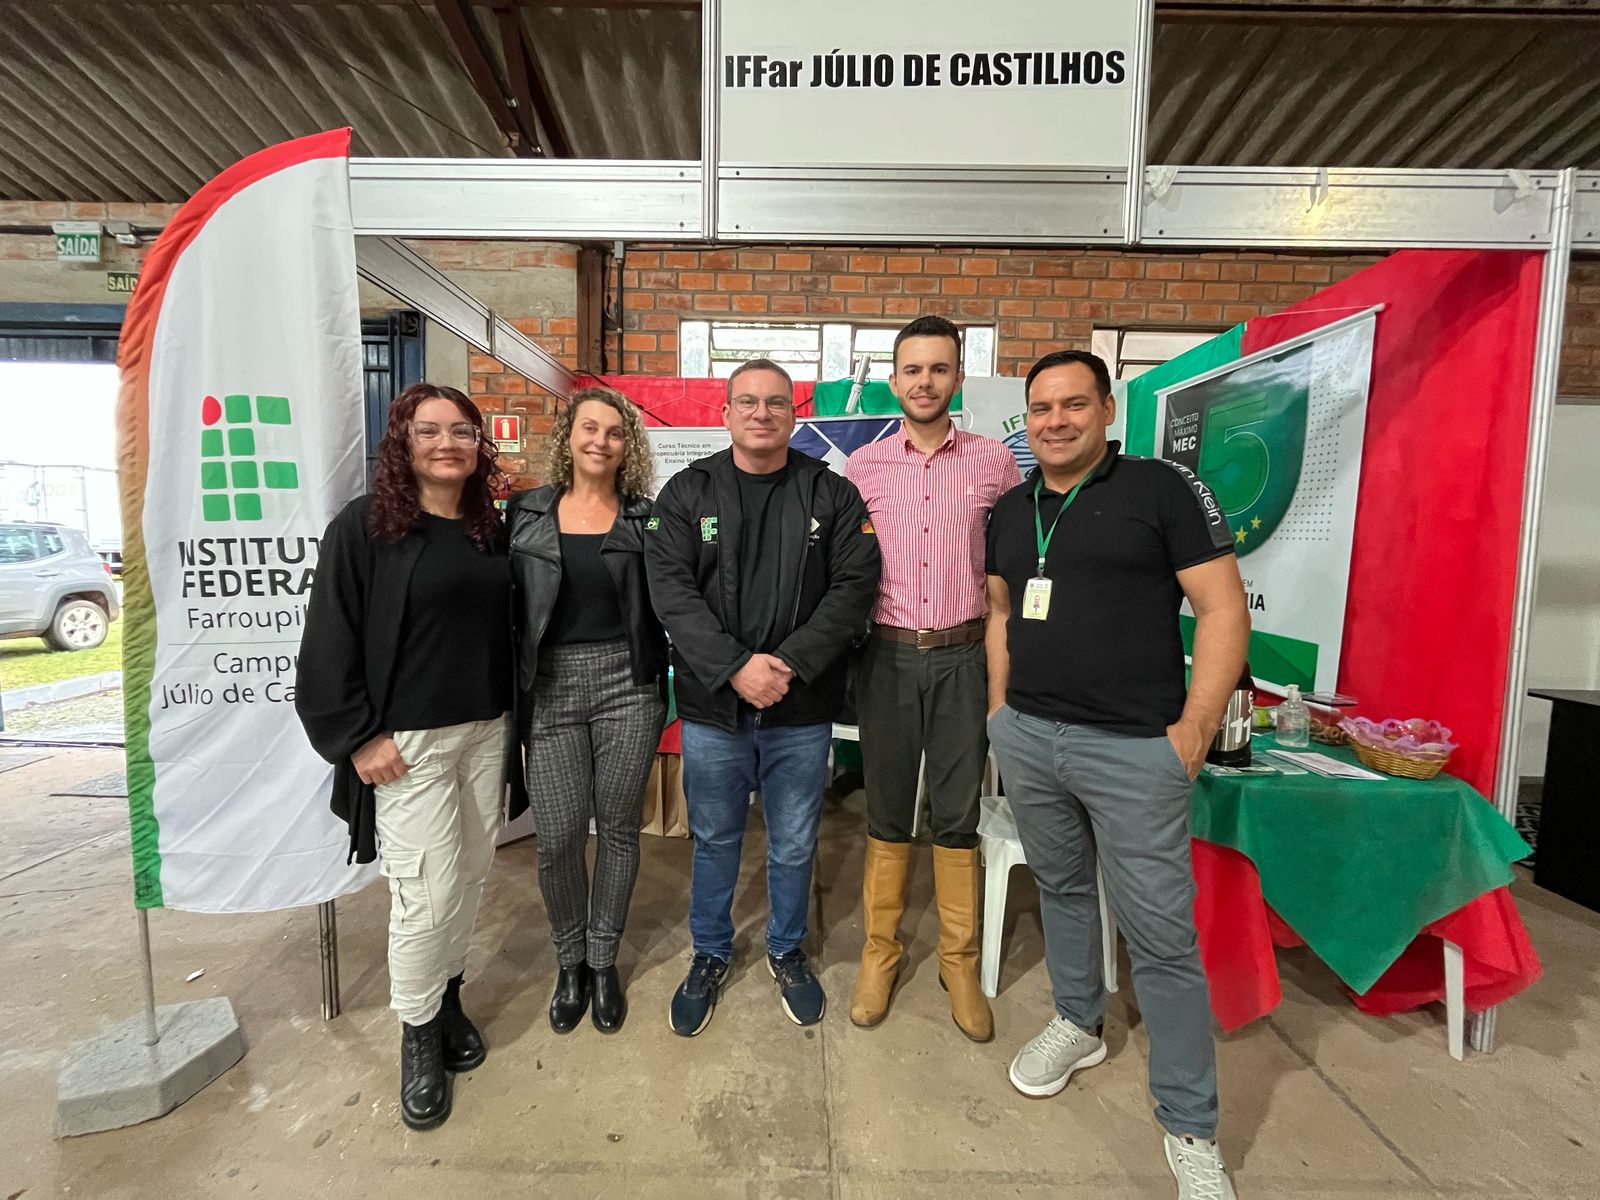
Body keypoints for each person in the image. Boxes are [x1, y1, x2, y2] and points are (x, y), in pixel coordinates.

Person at [984, 349, 1250, 1199]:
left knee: (1162, 938)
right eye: (1040, 408)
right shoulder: (1010, 509)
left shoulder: (1162, 491)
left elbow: (1222, 608)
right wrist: (999, 713)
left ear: (1106, 410)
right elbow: (1000, 611)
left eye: (1073, 405)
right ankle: (1078, 1022)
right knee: (1062, 890)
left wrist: (1195, 728)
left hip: (1134, 748)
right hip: (1030, 738)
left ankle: (1190, 1125)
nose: (1054, 421)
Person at [296, 383, 516, 1133]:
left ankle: (448, 999)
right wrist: (359, 735)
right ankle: (418, 1035)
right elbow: (329, 638)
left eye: (462, 431)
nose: (448, 443)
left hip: (486, 730)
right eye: (430, 430)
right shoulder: (366, 529)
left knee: (471, 875)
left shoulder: (488, 528)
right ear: (403, 441)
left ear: (479, 445)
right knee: (425, 889)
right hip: (408, 746)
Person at [645, 357, 881, 1036]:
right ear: (725, 413)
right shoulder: (687, 492)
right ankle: (710, 951)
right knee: (715, 839)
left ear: (793, 415)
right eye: (747, 401)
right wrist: (735, 667)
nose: (761, 413)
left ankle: (786, 948)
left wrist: (791, 664)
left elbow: (854, 587)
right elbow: (671, 591)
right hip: (714, 710)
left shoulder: (831, 493)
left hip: (799, 709)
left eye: (776, 402)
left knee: (795, 843)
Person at [842, 315, 1019, 1041]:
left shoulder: (993, 463)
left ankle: (958, 961)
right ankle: (880, 954)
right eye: (912, 369)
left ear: (958, 378)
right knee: (886, 809)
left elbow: (1010, 576)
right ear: (894, 381)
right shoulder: (864, 468)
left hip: (963, 657)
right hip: (886, 656)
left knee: (956, 812)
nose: (925, 382)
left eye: (939, 368)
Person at [507, 386, 667, 1037]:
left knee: (620, 829)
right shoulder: (524, 513)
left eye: (615, 432)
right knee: (559, 837)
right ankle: (568, 960)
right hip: (550, 687)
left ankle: (603, 962)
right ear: (568, 437)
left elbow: (695, 558)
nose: (601, 441)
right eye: (589, 428)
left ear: (628, 446)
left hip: (629, 686)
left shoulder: (647, 517)